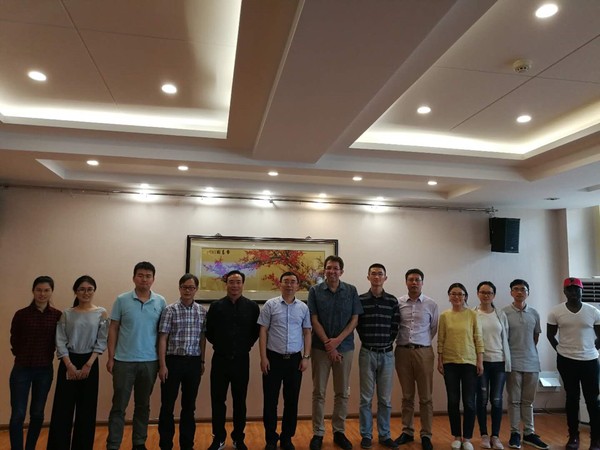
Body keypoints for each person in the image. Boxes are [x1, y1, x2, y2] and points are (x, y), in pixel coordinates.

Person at [106, 261, 166, 450]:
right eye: (140, 275)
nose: (144, 279)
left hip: (150, 362)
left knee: (143, 405)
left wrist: (162, 362)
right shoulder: (121, 300)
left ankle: (139, 442)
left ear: (153, 279)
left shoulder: (160, 301)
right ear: (134, 278)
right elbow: (113, 328)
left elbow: (163, 334)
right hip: (123, 361)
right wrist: (110, 357)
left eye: (148, 276)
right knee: (119, 405)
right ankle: (113, 444)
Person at [47, 275, 109, 450]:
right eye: (82, 289)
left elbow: (102, 340)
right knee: (63, 408)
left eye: (89, 289)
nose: (86, 293)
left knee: (86, 409)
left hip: (90, 362)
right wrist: (69, 365)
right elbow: (60, 340)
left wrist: (88, 364)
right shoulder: (67, 314)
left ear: (94, 291)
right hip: (68, 361)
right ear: (75, 291)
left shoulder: (101, 313)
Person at [308, 255, 363, 450]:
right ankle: (318, 432)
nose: (332, 271)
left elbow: (355, 319)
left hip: (345, 347)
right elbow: (314, 319)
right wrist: (328, 344)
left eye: (335, 268)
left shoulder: (351, 290)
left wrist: (337, 341)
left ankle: (339, 431)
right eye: (329, 268)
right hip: (320, 348)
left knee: (342, 392)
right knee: (319, 392)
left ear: (341, 271)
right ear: (324, 270)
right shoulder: (315, 291)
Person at [205, 270, 260, 450]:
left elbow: (255, 333)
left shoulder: (252, 307)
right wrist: (222, 345)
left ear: (243, 284)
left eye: (238, 282)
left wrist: (244, 346)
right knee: (217, 400)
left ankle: (238, 438)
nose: (234, 285)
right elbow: (209, 332)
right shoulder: (216, 306)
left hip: (241, 360)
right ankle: (219, 438)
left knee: (240, 401)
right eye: (231, 282)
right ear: (226, 284)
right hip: (220, 359)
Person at [258, 271, 312, 450]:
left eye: (293, 282)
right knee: (270, 401)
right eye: (286, 281)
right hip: (273, 359)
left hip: (295, 360)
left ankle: (287, 437)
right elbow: (263, 331)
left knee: (291, 401)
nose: (289, 285)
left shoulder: (303, 308)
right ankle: (271, 439)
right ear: (280, 284)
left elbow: (307, 332)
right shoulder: (270, 305)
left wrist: (306, 357)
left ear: (297, 285)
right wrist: (263, 357)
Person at [9, 276, 62, 450]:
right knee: (18, 414)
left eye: (46, 290)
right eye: (39, 290)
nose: (42, 294)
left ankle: (30, 447)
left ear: (51, 292)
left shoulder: (57, 315)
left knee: (37, 413)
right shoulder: (21, 314)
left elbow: (59, 341)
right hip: (21, 369)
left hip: (44, 370)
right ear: (33, 291)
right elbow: (14, 340)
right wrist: (22, 355)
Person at [547, 277, 600, 450]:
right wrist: (560, 350)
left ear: (581, 290)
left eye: (576, 289)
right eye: (569, 289)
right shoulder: (555, 311)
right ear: (564, 292)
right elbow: (550, 335)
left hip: (589, 361)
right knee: (572, 398)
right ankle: (573, 436)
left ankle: (596, 439)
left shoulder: (593, 311)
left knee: (592, 400)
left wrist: (591, 348)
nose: (573, 292)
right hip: (566, 361)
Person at [157, 273, 207, 450]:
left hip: (193, 362)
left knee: (189, 406)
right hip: (172, 362)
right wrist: (162, 365)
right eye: (185, 287)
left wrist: (202, 361)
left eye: (191, 287)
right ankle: (165, 445)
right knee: (167, 406)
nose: (188, 291)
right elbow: (163, 338)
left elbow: (202, 338)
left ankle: (187, 444)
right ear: (179, 288)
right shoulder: (170, 310)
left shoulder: (202, 311)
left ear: (196, 289)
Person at [356, 263, 401, 450]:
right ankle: (366, 435)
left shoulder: (392, 301)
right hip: (367, 353)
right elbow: (357, 325)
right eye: (373, 274)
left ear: (385, 278)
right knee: (365, 399)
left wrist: (386, 343)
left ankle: (384, 435)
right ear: (368, 277)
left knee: (385, 399)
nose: (376, 277)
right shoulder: (360, 300)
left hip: (387, 355)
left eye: (380, 274)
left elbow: (395, 326)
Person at [394, 269, 439, 450]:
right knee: (407, 396)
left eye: (417, 280)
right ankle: (407, 431)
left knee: (426, 397)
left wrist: (421, 343)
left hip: (423, 352)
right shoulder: (398, 303)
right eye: (411, 280)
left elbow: (433, 328)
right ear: (406, 282)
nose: (414, 283)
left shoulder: (431, 304)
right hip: (402, 352)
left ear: (422, 282)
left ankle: (426, 434)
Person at [437, 283, 484, 450]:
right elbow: (441, 339)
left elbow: (478, 338)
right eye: (453, 294)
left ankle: (467, 438)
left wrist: (480, 361)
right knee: (453, 401)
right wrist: (440, 360)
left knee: (469, 402)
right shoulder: (444, 316)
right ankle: (457, 436)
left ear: (465, 297)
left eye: (460, 294)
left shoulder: (473, 314)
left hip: (469, 363)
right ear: (449, 296)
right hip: (450, 363)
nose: (457, 297)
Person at [503, 279, 548, 450]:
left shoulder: (534, 313)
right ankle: (515, 433)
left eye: (523, 289)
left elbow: (535, 338)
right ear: (511, 293)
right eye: (516, 289)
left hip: (532, 362)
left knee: (528, 401)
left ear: (528, 293)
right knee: (514, 400)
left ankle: (529, 433)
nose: (519, 292)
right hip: (512, 362)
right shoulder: (504, 313)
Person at [474, 282, 511, 450]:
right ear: (478, 294)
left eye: (489, 292)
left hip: (499, 362)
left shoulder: (500, 314)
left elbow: (506, 337)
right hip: (480, 362)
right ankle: (483, 435)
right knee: (482, 400)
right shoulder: (473, 314)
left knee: (496, 400)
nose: (486, 295)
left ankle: (495, 436)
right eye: (482, 292)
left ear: (494, 295)